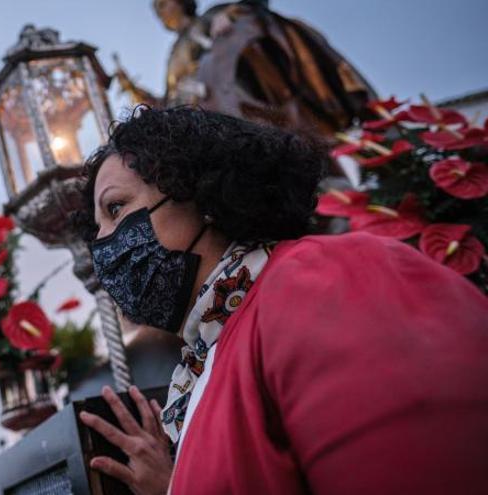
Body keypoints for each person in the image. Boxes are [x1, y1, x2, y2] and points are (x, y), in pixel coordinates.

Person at [74, 106, 488, 494]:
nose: (104, 245)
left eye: (116, 208)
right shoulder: (209, 355)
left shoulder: (319, 278)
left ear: (199, 192)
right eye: (98, 228)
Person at [114, 0, 375, 134]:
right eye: (156, 9)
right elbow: (168, 100)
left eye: (162, 4)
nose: (159, 12)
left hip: (234, 105)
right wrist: (132, 88)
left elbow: (248, 19)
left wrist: (233, 15)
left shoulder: (211, 17)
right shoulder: (172, 56)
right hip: (195, 120)